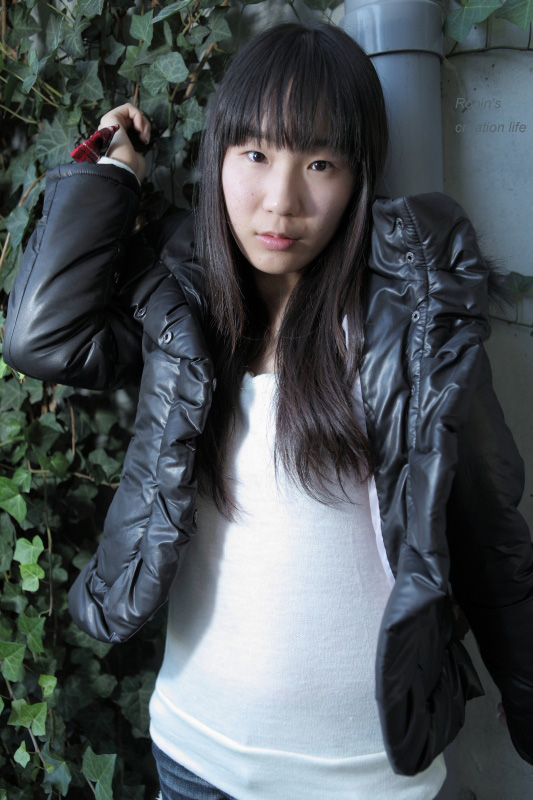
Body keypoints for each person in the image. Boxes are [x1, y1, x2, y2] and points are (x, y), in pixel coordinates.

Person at [4, 20, 532, 800]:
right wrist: (112, 173)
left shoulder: (411, 322)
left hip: (365, 778)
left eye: (319, 163)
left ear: (357, 176)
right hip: (194, 755)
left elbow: (488, 528)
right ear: (218, 155)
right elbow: (42, 338)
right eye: (254, 154)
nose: (280, 202)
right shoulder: (184, 306)